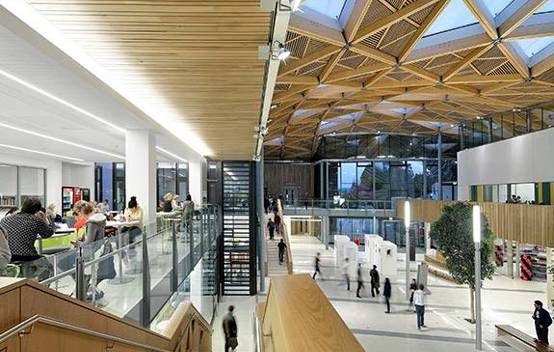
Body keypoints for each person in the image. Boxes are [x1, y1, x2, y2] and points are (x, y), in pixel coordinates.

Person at [0, 198, 55, 280]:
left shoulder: (5, 219)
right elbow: (48, 234)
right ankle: (40, 289)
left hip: (7, 258)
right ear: (37, 211)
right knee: (48, 267)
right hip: (26, 257)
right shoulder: (35, 220)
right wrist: (45, 219)